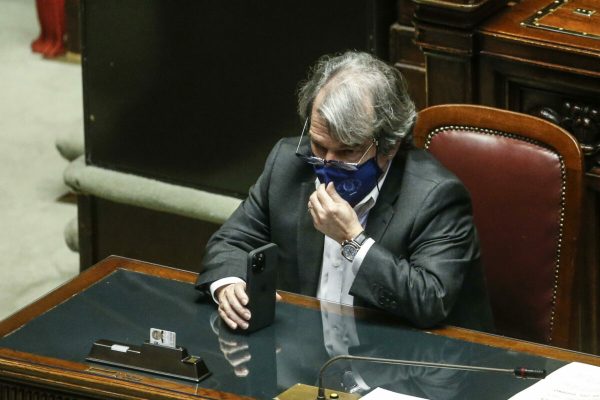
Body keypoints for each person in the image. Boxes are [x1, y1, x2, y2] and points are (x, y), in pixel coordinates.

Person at [196, 51, 493, 333]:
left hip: (404, 367)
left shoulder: (435, 196)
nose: (326, 163)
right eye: (319, 145)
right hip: (306, 359)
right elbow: (231, 242)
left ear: (389, 146)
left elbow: (430, 301)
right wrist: (230, 285)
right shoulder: (287, 166)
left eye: (347, 151)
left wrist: (353, 241)